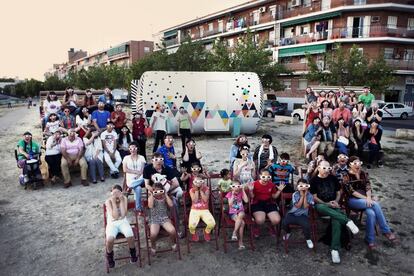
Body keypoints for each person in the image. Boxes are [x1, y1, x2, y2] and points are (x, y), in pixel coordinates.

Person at [309, 160, 359, 264]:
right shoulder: (313, 180)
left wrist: (336, 202)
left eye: (329, 168)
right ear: (318, 168)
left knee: (336, 220)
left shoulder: (333, 178)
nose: (327, 170)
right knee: (321, 207)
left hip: (334, 205)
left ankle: (334, 249)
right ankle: (347, 221)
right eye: (324, 168)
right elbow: (314, 197)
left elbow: (338, 192)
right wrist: (327, 204)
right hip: (322, 206)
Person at [344, 156, 396, 248]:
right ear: (350, 164)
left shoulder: (364, 173)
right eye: (355, 163)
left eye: (359, 163)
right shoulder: (346, 175)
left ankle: (369, 239)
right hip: (352, 200)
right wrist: (367, 198)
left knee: (371, 213)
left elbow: (368, 187)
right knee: (375, 204)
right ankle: (386, 231)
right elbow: (352, 192)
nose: (358, 165)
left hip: (365, 200)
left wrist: (368, 197)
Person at [105, 185, 138, 268]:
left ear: (121, 193)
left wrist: (121, 201)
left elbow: (123, 215)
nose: (116, 194)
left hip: (123, 222)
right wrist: (113, 202)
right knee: (109, 239)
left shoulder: (124, 199)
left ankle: (133, 253)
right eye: (114, 192)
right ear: (111, 193)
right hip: (112, 224)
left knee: (130, 236)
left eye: (118, 192)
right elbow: (115, 216)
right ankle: (109, 256)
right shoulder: (108, 201)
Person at [248, 169, 285, 238]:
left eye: (268, 177)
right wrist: (250, 191)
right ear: (260, 176)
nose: (266, 178)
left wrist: (279, 191)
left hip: (269, 203)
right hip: (257, 203)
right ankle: (256, 226)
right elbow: (252, 197)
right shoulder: (254, 184)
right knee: (260, 220)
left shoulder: (272, 184)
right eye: (264, 176)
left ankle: (271, 227)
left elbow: (274, 197)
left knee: (277, 220)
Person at [281, 179, 314, 249]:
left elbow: (305, 206)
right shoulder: (295, 194)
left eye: (305, 186)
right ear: (298, 187)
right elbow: (298, 206)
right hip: (292, 213)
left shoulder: (310, 195)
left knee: (307, 225)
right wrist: (302, 196)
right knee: (284, 222)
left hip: (303, 215)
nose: (303, 188)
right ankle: (288, 232)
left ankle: (308, 238)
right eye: (301, 186)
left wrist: (305, 196)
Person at [148, 183, 177, 254]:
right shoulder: (151, 198)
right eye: (156, 191)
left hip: (164, 218)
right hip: (154, 219)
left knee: (172, 230)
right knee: (153, 234)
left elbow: (171, 205)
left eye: (160, 191)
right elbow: (150, 206)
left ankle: (173, 243)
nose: (158, 193)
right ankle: (153, 245)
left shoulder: (164, 197)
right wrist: (152, 194)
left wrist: (166, 194)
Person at [188, 176, 216, 242]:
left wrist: (201, 190)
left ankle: (206, 232)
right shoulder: (191, 190)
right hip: (194, 210)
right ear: (194, 183)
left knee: (212, 223)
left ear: (203, 182)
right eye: (196, 182)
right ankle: (193, 233)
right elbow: (195, 200)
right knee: (191, 226)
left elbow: (205, 200)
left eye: (200, 182)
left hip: (205, 210)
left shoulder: (206, 189)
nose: (198, 184)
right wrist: (197, 190)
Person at [123, 141, 146, 212]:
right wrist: (135, 172)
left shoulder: (141, 157)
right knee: (138, 188)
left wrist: (138, 175)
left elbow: (142, 170)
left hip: (140, 178)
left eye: (134, 148)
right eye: (130, 148)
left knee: (144, 177)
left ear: (137, 148)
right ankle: (138, 208)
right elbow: (125, 169)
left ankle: (130, 188)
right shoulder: (126, 158)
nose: (132, 150)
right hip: (130, 178)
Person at [226, 181, 248, 249]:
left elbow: (246, 201)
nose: (236, 188)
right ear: (231, 188)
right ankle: (240, 242)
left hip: (241, 212)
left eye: (238, 186)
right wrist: (233, 195)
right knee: (242, 223)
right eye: (234, 186)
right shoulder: (229, 194)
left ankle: (234, 232)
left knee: (241, 214)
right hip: (233, 213)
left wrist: (243, 189)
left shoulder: (241, 193)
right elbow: (230, 204)